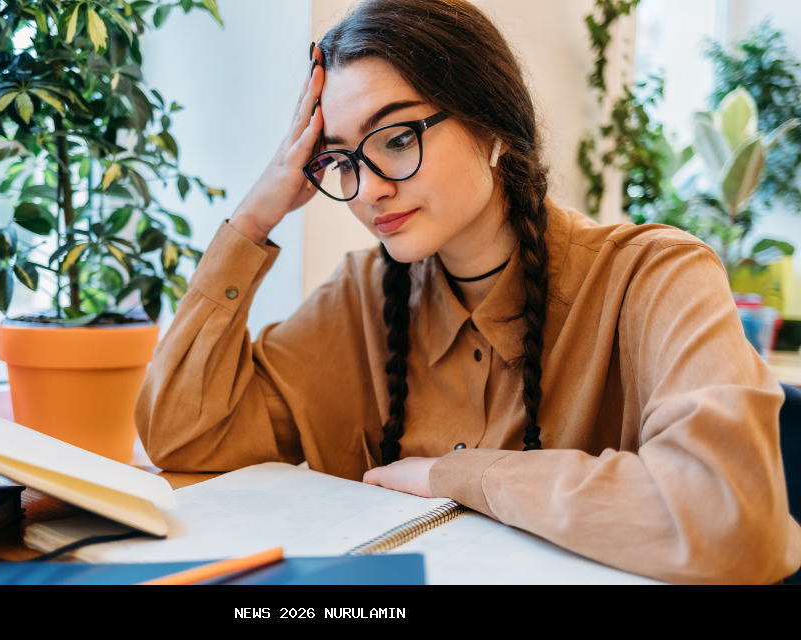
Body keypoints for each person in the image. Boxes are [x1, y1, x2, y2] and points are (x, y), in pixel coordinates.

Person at [135, 0, 801, 583]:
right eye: (339, 160)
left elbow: (727, 521)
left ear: (491, 129)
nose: (367, 189)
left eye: (395, 139)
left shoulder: (657, 278)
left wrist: (456, 475)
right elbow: (186, 438)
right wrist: (255, 215)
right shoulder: (360, 299)